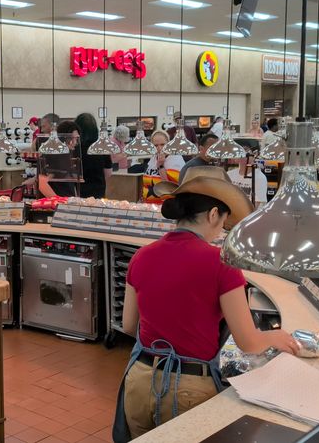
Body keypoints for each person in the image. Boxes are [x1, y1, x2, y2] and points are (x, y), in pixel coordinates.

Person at [113, 166, 298, 441]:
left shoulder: (142, 256)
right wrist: (276, 336)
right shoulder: (222, 263)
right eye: (224, 221)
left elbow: (129, 325)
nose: (222, 230)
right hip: (187, 388)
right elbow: (248, 342)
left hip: (139, 381)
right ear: (213, 214)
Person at [38, 120, 81, 197]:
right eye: (72, 138)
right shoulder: (54, 156)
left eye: (76, 139)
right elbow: (42, 183)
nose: (75, 142)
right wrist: (57, 201)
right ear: (63, 138)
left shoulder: (68, 155)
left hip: (67, 202)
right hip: (55, 204)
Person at [141, 130, 185, 204]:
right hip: (149, 205)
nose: (159, 148)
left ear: (168, 143)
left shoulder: (176, 159)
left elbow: (170, 188)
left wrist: (160, 166)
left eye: (162, 144)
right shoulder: (154, 157)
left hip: (166, 206)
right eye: (156, 145)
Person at [75, 113, 113, 198]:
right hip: (98, 190)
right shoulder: (102, 147)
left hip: (78, 191)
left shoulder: (74, 148)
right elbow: (108, 173)